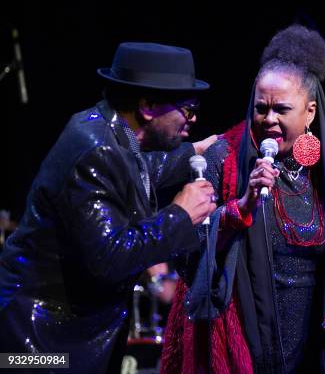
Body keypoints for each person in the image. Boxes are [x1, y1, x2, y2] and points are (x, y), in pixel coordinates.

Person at [161, 25, 325, 373]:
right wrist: (239, 209)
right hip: (246, 345)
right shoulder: (224, 159)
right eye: (261, 108)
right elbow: (186, 250)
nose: (269, 120)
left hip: (315, 347)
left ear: (310, 112)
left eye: (281, 109)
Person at [0, 42, 218, 373]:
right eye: (187, 109)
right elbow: (110, 257)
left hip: (58, 334)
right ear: (147, 105)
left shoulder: (115, 135)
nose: (194, 118)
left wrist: (195, 152)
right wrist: (180, 216)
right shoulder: (95, 150)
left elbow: (140, 172)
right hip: (40, 343)